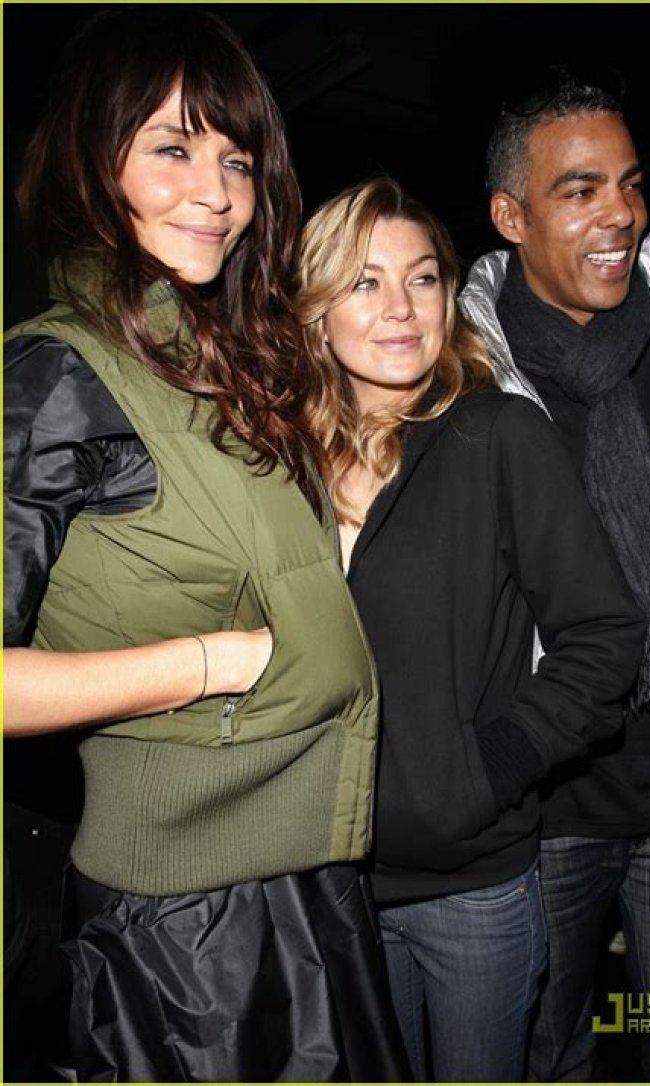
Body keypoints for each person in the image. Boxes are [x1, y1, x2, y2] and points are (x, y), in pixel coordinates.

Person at [3, 8, 409, 1082]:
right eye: (172, 149)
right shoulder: (56, 376)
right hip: (186, 930)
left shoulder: (216, 357)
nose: (218, 193)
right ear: (93, 162)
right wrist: (209, 663)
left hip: (307, 877)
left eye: (236, 160)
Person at [294, 175, 646, 1082]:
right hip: (319, 877)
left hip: (471, 885)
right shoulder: (278, 459)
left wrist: (486, 770)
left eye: (423, 278)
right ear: (316, 309)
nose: (402, 308)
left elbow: (606, 636)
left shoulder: (497, 436)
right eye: (365, 282)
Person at [459, 64, 650, 1083]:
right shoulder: (454, 370)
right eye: (580, 190)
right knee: (548, 1048)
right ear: (510, 216)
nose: (620, 212)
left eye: (631, 182)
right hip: (546, 806)